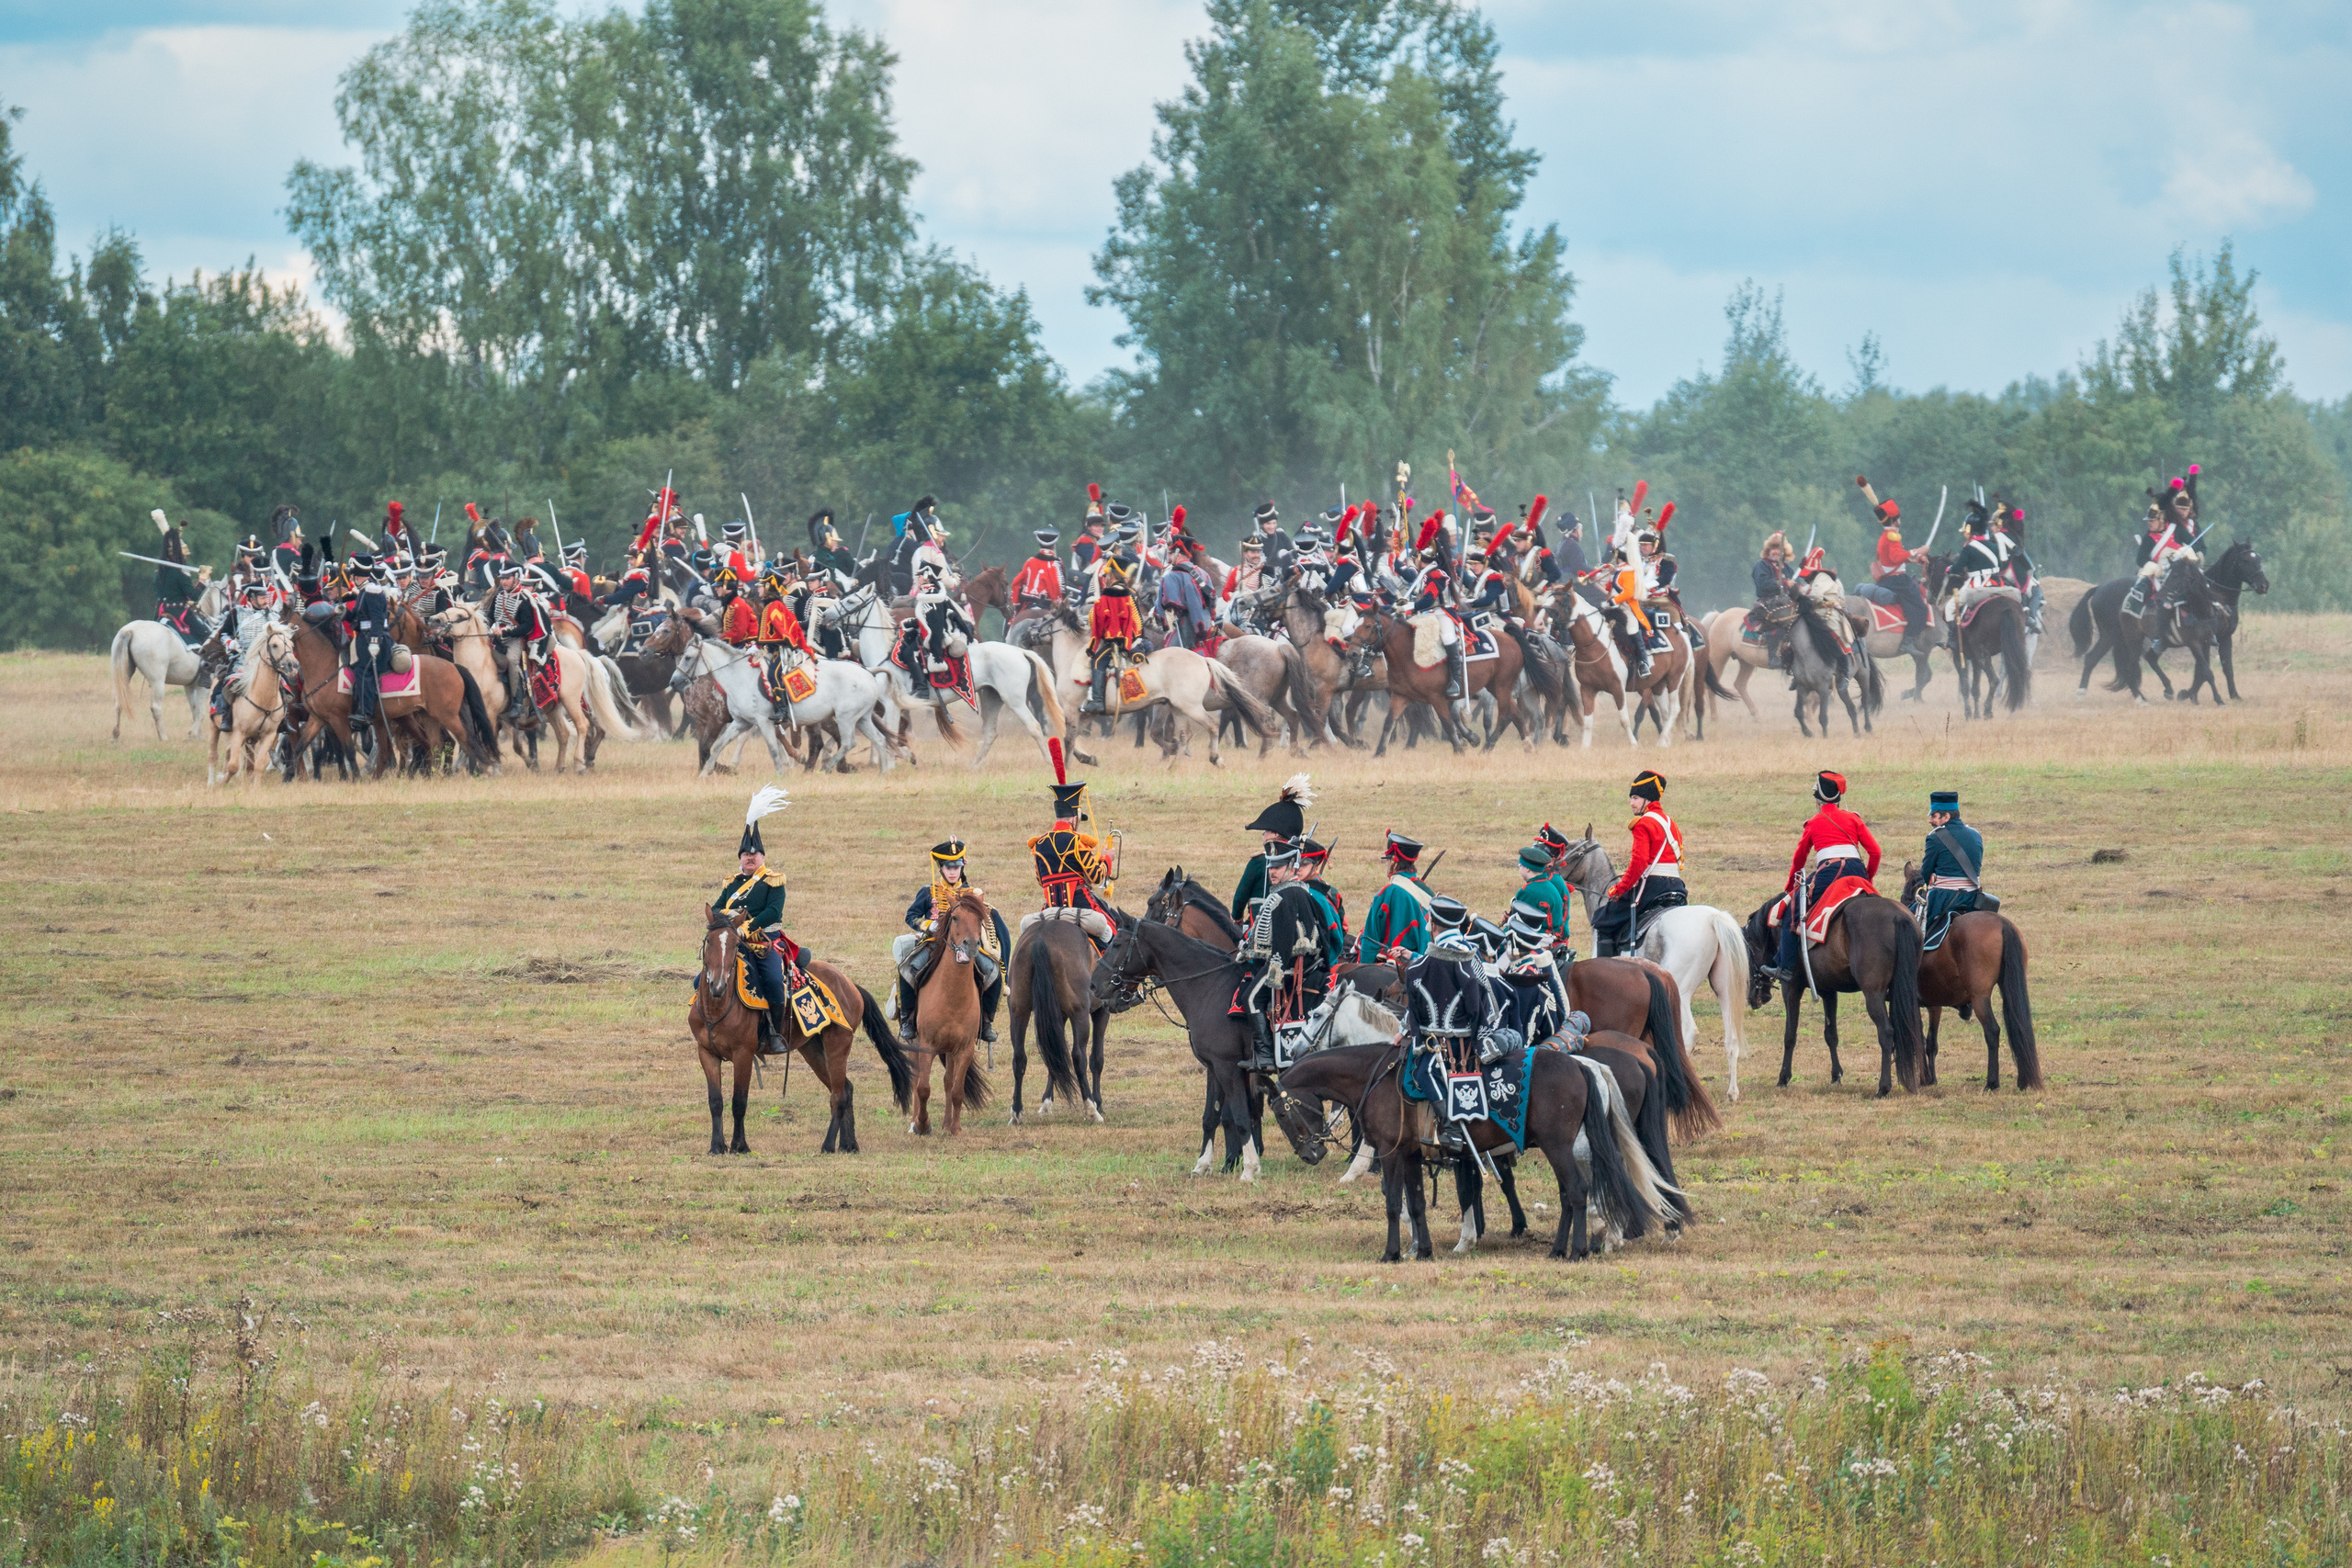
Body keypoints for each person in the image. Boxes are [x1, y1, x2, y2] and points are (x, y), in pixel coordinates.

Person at [1233, 838, 1338, 1073]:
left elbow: (1283, 939)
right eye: (1270, 866)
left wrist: (1275, 970)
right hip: (1291, 961)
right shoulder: (1295, 892)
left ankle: (1265, 1055)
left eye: (1277, 867)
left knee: (1251, 997)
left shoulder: (1287, 895)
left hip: (1288, 965)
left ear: (1292, 867)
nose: (1272, 871)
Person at [1767, 771, 1882, 983]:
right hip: (1857, 870)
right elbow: (1875, 852)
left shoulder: (1814, 823)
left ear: (1818, 800)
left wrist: (1791, 885)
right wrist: (1867, 878)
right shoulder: (1853, 819)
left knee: (1794, 908)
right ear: (1838, 799)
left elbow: (1799, 858)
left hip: (1830, 872)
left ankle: (1785, 967)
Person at [895, 839, 1008, 1046]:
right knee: (907, 970)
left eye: (957, 867)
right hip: (934, 944)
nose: (953, 871)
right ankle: (907, 1020)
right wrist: (928, 925)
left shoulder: (973, 894)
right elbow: (911, 916)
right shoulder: (928, 892)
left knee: (993, 972)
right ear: (941, 868)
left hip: (967, 945)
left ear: (962, 867)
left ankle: (986, 1021)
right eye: (949, 867)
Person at [712, 787, 798, 1048]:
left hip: (765, 940)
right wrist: (729, 917)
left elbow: (773, 912)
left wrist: (745, 927)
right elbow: (716, 909)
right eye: (746, 855)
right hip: (732, 940)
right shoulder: (731, 882)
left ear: (763, 858)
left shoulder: (774, 880)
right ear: (740, 858)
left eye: (755, 855)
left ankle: (774, 1033)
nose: (750, 858)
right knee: (703, 977)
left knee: (772, 979)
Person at [1590, 770, 1688, 958]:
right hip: (1676, 885)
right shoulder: (1671, 823)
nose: (1631, 803)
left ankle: (1604, 971)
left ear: (1648, 800)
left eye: (1635, 798)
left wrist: (1620, 888)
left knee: (1603, 919)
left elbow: (1639, 863)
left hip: (1653, 886)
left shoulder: (1643, 823)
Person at [1859, 479, 1930, 654]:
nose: (1900, 520)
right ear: (1894, 520)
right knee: (1921, 609)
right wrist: (1918, 550)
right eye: (1898, 517)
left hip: (1890, 579)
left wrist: (1917, 557)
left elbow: (1895, 560)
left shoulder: (1889, 536)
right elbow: (1897, 556)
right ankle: (1907, 641)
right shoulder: (1891, 536)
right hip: (1898, 581)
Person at [1911, 789, 1984, 953]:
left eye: (1934, 816)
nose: (1931, 820)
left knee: (1907, 925)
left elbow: (1926, 873)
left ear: (1946, 817)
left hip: (1944, 897)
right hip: (1973, 897)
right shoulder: (1975, 835)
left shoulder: (1935, 837)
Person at [1233, 774, 1313, 921]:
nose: (1263, 835)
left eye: (1266, 831)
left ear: (1275, 834)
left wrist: (1237, 919)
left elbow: (1239, 900)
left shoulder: (1258, 862)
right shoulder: (1305, 861)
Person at [487, 559, 557, 727]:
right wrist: (491, 628)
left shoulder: (524, 599)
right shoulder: (498, 597)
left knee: (512, 660)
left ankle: (518, 702)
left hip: (515, 638)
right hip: (495, 638)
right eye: (502, 578)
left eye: (507, 578)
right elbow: (490, 617)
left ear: (516, 578)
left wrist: (507, 631)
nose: (504, 582)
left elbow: (527, 626)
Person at [1081, 544, 1142, 715]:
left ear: (1113, 575)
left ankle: (1098, 701)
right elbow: (1137, 621)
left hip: (1113, 643)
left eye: (1107, 575)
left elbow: (1097, 624)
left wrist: (1092, 647)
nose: (1105, 578)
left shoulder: (1106, 597)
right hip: (1131, 641)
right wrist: (1134, 639)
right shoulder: (1130, 594)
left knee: (1097, 661)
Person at [1357, 831, 1434, 963]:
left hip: (1394, 961)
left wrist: (1363, 967)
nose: (1386, 865)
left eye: (1387, 861)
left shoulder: (1387, 892)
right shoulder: (1427, 890)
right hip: (1424, 961)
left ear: (1394, 862)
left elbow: (1371, 937)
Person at [755, 562, 817, 717]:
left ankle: (782, 709)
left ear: (769, 587)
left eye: (761, 586)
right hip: (770, 648)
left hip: (781, 649)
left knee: (773, 675)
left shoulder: (774, 606)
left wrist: (789, 642)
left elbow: (781, 627)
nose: (758, 589)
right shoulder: (769, 605)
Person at [149, 510, 211, 647]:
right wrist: (202, 581)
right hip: (179, 612)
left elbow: (162, 593)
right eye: (184, 556)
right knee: (207, 636)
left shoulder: (158, 573)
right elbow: (193, 596)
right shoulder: (181, 573)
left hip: (161, 611)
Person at [346, 556, 397, 725]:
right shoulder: (363, 592)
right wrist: (343, 613)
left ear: (363, 576)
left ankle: (366, 713)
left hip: (376, 640)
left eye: (356, 576)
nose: (354, 579)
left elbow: (377, 619)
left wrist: (375, 641)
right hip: (364, 638)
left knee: (363, 670)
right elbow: (356, 617)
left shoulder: (372, 591)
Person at [1296, 837, 1350, 964]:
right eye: (1296, 864)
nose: (1298, 869)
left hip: (1320, 960)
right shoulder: (1330, 890)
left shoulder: (1313, 894)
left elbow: (1336, 930)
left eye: (1304, 864)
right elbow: (1345, 927)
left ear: (1315, 865)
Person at [1510, 842, 1572, 950]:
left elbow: (1520, 923)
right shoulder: (1550, 885)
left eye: (1520, 866)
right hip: (1550, 937)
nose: (1519, 868)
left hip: (1536, 939)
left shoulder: (1528, 890)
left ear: (1528, 869)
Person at [1011, 529, 1063, 616]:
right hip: (1047, 605)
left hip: (1028, 604)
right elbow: (1054, 585)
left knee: (1012, 624)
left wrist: (1016, 603)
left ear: (1040, 543)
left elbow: (1016, 582)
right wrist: (1058, 602)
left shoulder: (1030, 561)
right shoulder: (1055, 564)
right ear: (1053, 544)